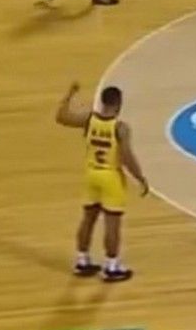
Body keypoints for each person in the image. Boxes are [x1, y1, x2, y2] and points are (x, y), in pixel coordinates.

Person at [54, 83, 148, 282]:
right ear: (119, 104)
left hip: (91, 175)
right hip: (110, 177)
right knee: (112, 223)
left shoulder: (89, 120)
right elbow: (126, 157)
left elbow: (61, 117)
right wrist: (140, 178)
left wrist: (69, 94)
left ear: (102, 101)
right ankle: (112, 266)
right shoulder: (120, 128)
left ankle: (82, 260)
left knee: (88, 219)